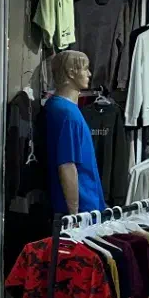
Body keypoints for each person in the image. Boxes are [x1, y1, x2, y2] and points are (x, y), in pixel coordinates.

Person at [43, 49, 105, 217]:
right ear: (71, 73)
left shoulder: (56, 106)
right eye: (85, 69)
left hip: (83, 205)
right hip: (83, 210)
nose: (89, 74)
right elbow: (67, 166)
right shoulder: (67, 114)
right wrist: (74, 215)